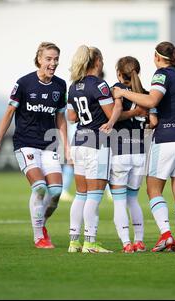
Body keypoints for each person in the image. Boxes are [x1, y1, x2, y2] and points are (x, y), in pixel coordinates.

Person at [113, 41, 175, 253]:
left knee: (153, 189)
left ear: (157, 56)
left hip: (169, 137)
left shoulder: (162, 74)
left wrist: (123, 93)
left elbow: (152, 100)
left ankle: (166, 235)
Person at [0, 42, 69, 249]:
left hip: (49, 146)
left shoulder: (60, 86)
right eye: (49, 59)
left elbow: (61, 118)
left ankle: (41, 223)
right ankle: (39, 236)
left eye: (56, 59)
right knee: (40, 187)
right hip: (25, 144)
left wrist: (66, 146)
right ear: (39, 60)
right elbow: (9, 113)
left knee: (56, 192)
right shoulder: (24, 83)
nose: (53, 63)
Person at [67, 45, 121, 253]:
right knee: (95, 195)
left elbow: (72, 117)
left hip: (79, 141)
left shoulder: (73, 86)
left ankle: (74, 242)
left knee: (81, 194)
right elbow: (110, 114)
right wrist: (117, 104)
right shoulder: (100, 85)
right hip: (97, 143)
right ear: (96, 61)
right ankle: (90, 242)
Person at [110, 56, 158, 253]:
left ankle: (126, 243)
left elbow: (114, 116)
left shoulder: (117, 89)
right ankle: (139, 241)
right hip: (139, 153)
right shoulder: (146, 94)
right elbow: (153, 122)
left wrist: (131, 114)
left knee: (120, 201)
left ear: (119, 74)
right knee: (133, 200)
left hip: (120, 152)